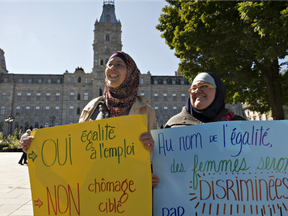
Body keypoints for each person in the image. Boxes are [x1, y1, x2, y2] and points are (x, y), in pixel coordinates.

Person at [21, 51, 159, 186]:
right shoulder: (91, 107)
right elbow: (76, 147)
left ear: (130, 73)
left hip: (130, 187)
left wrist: (152, 167)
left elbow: (157, 157)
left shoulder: (145, 111)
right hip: (95, 187)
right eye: (109, 64)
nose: (112, 67)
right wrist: (37, 147)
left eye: (119, 65)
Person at [165, 72, 246, 128]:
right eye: (193, 88)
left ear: (218, 91)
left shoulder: (240, 124)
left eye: (203, 86)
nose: (197, 91)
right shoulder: (173, 125)